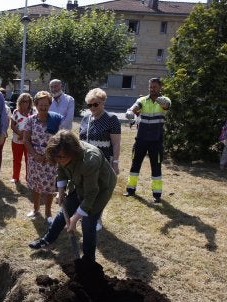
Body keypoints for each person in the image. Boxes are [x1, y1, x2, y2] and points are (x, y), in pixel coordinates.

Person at [28, 130, 117, 264]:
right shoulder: (61, 152)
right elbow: (61, 169)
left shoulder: (89, 160)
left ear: (72, 152)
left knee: (88, 222)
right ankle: (47, 240)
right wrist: (61, 190)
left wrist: (75, 218)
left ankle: (88, 260)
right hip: (81, 182)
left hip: (101, 188)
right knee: (66, 208)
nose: (59, 160)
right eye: (56, 157)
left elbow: (91, 193)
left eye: (61, 157)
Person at [79, 88, 121, 231]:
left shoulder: (111, 119)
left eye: (95, 104)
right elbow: (81, 140)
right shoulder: (86, 118)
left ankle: (97, 218)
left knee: (99, 191)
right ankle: (85, 214)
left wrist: (115, 163)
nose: (92, 108)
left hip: (103, 162)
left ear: (103, 103)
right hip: (86, 162)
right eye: (89, 105)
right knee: (86, 190)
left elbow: (116, 143)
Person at [124, 77, 171, 203]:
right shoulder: (142, 100)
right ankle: (130, 190)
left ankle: (157, 194)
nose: (152, 89)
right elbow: (135, 106)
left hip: (156, 141)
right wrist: (130, 111)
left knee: (156, 167)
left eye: (155, 87)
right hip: (141, 140)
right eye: (150, 87)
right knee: (135, 165)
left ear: (160, 87)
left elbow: (167, 105)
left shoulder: (164, 100)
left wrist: (163, 102)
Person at [23, 91, 62, 223]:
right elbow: (26, 140)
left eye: (46, 104)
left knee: (50, 186)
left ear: (50, 105)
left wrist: (47, 155)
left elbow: (59, 140)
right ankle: (35, 209)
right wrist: (35, 155)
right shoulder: (30, 120)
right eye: (41, 104)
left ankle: (48, 213)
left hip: (50, 159)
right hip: (34, 159)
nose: (43, 107)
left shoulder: (55, 120)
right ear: (35, 104)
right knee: (35, 185)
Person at [10, 92, 34, 183]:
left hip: (29, 141)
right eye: (23, 101)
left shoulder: (33, 112)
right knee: (17, 159)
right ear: (19, 102)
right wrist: (20, 134)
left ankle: (29, 178)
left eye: (27, 101)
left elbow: (35, 125)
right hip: (17, 140)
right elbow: (12, 125)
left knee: (29, 160)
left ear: (30, 102)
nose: (25, 103)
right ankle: (15, 177)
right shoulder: (16, 112)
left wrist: (25, 136)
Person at [0, 87, 11, 172]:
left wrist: (3, 133)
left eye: (3, 95)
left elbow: (8, 122)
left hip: (2, 133)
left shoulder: (7, 108)